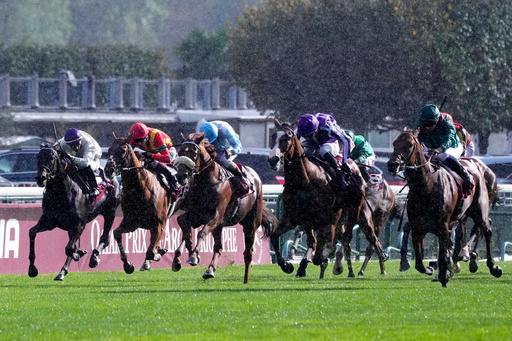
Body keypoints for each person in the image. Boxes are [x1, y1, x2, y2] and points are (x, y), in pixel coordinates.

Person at [416, 104, 474, 198]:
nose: (426, 127)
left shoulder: (446, 121)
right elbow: (417, 138)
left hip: (453, 146)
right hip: (434, 148)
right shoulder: (424, 123)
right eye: (425, 124)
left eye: (429, 124)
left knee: (443, 156)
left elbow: (449, 139)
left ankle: (466, 177)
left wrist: (439, 150)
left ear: (437, 120)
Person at [295, 113, 355, 189]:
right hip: (313, 144)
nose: (307, 137)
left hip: (330, 142)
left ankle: (339, 176)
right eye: (305, 136)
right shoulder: (299, 128)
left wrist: (345, 162)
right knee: (305, 152)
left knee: (323, 150)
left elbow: (347, 140)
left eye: (309, 135)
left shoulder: (327, 126)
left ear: (316, 130)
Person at [199, 120, 251, 196]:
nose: (212, 143)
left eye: (213, 141)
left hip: (228, 148)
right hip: (213, 149)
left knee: (223, 159)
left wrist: (231, 152)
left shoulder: (225, 129)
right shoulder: (204, 129)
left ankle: (241, 177)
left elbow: (238, 147)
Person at [129, 122, 178, 194]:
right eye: (136, 141)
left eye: (141, 140)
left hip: (168, 152)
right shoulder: (134, 138)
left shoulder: (156, 136)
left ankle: (172, 183)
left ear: (146, 136)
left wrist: (152, 156)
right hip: (152, 150)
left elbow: (168, 158)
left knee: (151, 161)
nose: (138, 143)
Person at [57, 128, 101, 198]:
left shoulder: (89, 145)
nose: (76, 147)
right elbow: (54, 148)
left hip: (94, 156)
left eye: (77, 144)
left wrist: (71, 157)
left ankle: (95, 188)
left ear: (80, 140)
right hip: (77, 155)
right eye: (72, 146)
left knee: (88, 167)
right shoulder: (63, 142)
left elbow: (85, 163)